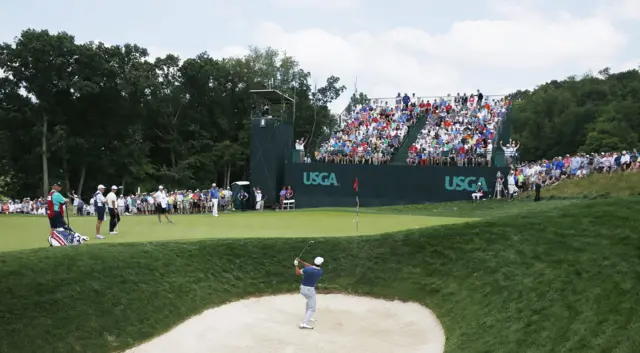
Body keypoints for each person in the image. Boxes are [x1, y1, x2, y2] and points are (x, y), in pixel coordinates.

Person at [294, 256, 324, 329]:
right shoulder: (320, 271)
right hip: (310, 290)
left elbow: (297, 272)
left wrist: (296, 264)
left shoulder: (307, 269)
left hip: (302, 289)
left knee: (309, 302)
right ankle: (304, 323)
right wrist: (300, 261)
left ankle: (307, 317)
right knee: (312, 308)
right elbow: (310, 266)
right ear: (321, 264)